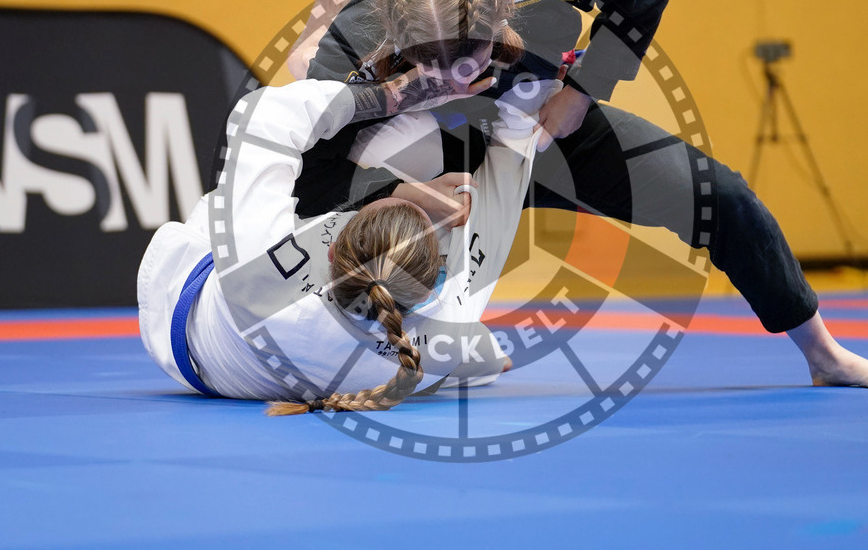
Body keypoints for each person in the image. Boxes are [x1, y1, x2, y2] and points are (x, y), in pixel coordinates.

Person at [295, 0, 868, 390]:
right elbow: (309, 163)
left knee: (718, 196)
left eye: (477, 60)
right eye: (443, 69)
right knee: (372, 227)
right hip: (426, 148)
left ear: (501, 18)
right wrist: (394, 199)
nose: (466, 77)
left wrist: (584, 88)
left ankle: (824, 354)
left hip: (546, 125)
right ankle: (442, 335)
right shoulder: (360, 37)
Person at [138, 31, 556, 413]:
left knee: (232, 199)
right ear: (439, 281)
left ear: (332, 244)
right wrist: (523, 112)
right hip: (330, 354)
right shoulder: (449, 329)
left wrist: (396, 94)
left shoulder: (259, 260)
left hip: (191, 329)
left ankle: (314, 73)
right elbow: (499, 208)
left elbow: (264, 115)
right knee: (469, 351)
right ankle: (487, 359)